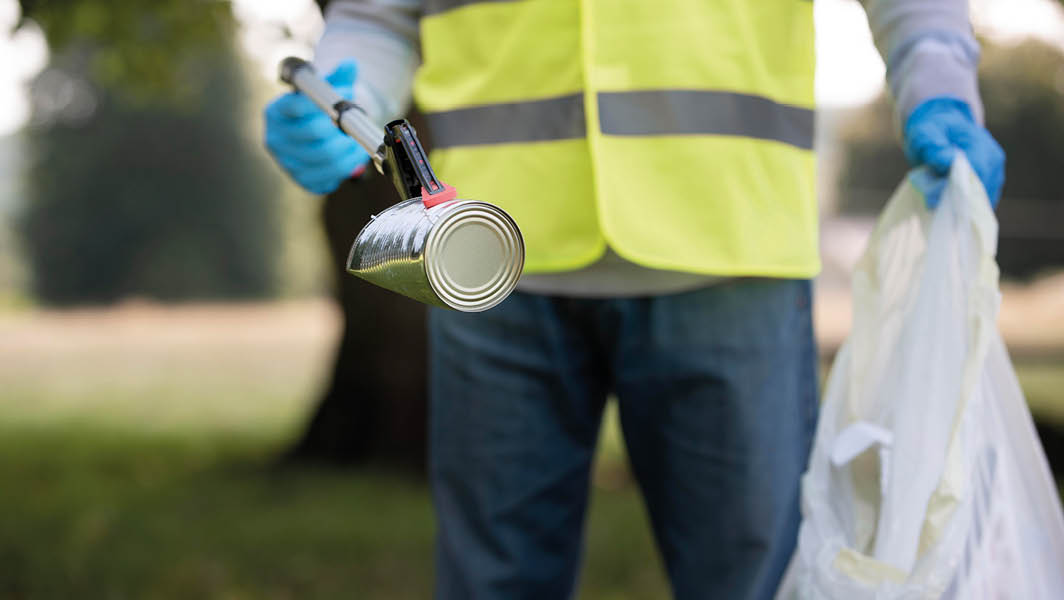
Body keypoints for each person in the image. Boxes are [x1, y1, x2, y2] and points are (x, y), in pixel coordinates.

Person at [263, 1, 1005, 598]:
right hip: (489, 265)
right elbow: (379, 15)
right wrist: (341, 97)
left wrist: (940, 88)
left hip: (729, 254)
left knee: (753, 582)